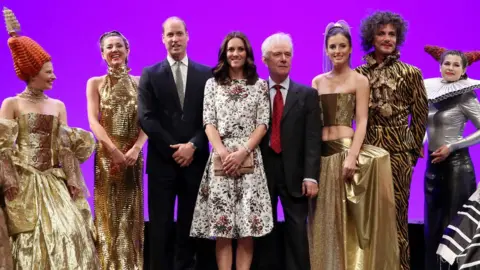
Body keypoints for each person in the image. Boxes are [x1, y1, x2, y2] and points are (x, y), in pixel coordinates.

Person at [0, 7, 99, 269]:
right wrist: (9, 179)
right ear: (32, 74)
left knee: (70, 231)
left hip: (53, 180)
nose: (54, 76)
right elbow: (3, 148)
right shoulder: (12, 104)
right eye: (48, 72)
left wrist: (73, 180)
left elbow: (65, 148)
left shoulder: (58, 105)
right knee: (29, 237)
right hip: (24, 181)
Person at [308, 20, 399, 270]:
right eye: (332, 46)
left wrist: (352, 156)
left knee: (347, 222)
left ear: (350, 49)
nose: (337, 51)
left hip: (346, 154)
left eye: (342, 46)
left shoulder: (359, 80)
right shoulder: (317, 81)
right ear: (326, 50)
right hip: (322, 157)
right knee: (323, 220)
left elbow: (362, 120)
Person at [189, 31, 273, 270]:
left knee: (247, 228)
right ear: (224, 55)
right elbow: (209, 122)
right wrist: (225, 154)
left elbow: (263, 123)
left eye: (240, 49)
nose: (235, 54)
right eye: (231, 50)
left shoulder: (259, 85)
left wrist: (243, 152)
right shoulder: (212, 84)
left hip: (249, 159)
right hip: (221, 160)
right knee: (222, 227)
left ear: (247, 54)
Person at [137, 16, 216, 270]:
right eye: (169, 35)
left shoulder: (207, 74)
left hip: (196, 161)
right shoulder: (150, 74)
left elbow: (213, 117)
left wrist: (192, 145)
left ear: (187, 36)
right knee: (160, 227)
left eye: (179, 34)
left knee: (190, 226)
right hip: (162, 162)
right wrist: (175, 148)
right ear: (162, 39)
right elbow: (146, 117)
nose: (174, 39)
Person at [355, 11, 429, 270]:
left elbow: (420, 118)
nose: (387, 39)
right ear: (371, 37)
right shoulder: (358, 74)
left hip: (399, 154)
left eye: (392, 34)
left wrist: (410, 153)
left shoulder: (411, 73)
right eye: (381, 33)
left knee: (397, 217)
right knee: (368, 218)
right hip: (366, 151)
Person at [254, 32, 321, 270]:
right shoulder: (255, 93)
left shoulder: (307, 95)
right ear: (265, 59)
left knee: (297, 234)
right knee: (263, 235)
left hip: (296, 175)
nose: (283, 59)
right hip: (262, 174)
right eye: (277, 54)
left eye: (287, 54)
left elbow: (313, 139)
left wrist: (311, 175)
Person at [86, 30, 147, 269]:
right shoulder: (95, 83)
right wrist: (112, 151)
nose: (114, 50)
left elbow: (148, 121)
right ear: (103, 54)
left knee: (130, 217)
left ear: (127, 50)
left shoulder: (141, 82)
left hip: (133, 156)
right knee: (107, 216)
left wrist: (136, 149)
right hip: (106, 157)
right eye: (109, 47)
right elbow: (93, 120)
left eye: (119, 46)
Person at [423, 45, 480, 270]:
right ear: (440, 66)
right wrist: (420, 144)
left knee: (452, 229)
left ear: (463, 70)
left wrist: (453, 146)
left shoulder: (466, 96)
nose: (450, 67)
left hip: (457, 167)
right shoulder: (430, 93)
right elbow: (427, 128)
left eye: (456, 64)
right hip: (433, 166)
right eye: (447, 63)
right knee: (432, 227)